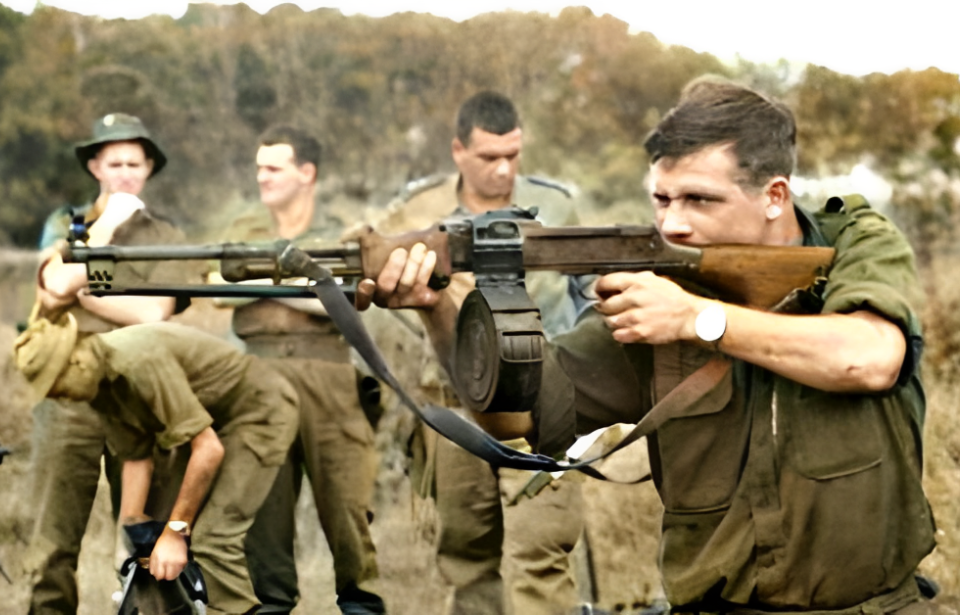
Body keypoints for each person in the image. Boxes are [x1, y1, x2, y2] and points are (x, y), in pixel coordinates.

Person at [357, 77, 940, 614]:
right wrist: (439, 311)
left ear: (773, 195)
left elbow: (868, 357)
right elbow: (514, 418)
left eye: (699, 200)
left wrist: (697, 319)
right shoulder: (660, 300)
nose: (674, 224)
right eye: (662, 201)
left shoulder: (856, 244)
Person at [368, 91, 587, 615]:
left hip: (541, 405)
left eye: (514, 155)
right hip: (454, 405)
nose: (504, 169)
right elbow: (382, 285)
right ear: (458, 151)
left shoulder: (556, 207)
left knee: (541, 556)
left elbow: (588, 293)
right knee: (466, 559)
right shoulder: (419, 213)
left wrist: (590, 387)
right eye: (490, 157)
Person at [13, 315, 299, 615]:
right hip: (215, 425)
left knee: (211, 541)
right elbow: (136, 457)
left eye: (58, 388)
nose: (61, 398)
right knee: (154, 551)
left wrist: (176, 532)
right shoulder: (102, 383)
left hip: (261, 415)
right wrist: (129, 537)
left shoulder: (138, 362)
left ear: (77, 363)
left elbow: (207, 449)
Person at [219, 125, 385, 614]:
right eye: (258, 168)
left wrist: (263, 279)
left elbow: (351, 301)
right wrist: (306, 284)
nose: (261, 177)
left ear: (306, 173)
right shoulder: (243, 231)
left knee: (348, 509)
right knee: (262, 512)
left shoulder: (344, 233)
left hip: (329, 376)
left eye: (273, 167)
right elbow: (215, 280)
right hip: (258, 375)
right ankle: (270, 603)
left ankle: (362, 604)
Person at [26, 112, 186, 615]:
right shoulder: (65, 223)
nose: (123, 173)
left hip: (139, 395)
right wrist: (109, 225)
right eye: (113, 162)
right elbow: (51, 288)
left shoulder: (166, 234)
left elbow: (154, 312)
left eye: (133, 163)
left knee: (145, 537)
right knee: (52, 542)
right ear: (95, 166)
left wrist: (82, 293)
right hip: (70, 394)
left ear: (147, 170)